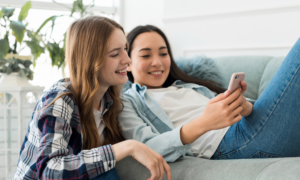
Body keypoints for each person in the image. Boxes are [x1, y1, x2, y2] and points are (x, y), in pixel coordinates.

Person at [12, 18, 171, 180]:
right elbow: (50, 171)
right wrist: (128, 147)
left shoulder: (111, 99)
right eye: (115, 54)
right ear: (90, 60)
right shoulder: (60, 99)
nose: (127, 60)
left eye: (125, 49)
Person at [118, 24, 300, 162]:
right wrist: (204, 123)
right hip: (231, 143)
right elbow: (147, 148)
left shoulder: (187, 86)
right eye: (146, 55)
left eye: (163, 54)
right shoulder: (127, 101)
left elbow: (250, 111)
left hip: (247, 125)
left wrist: (244, 107)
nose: (157, 62)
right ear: (128, 62)